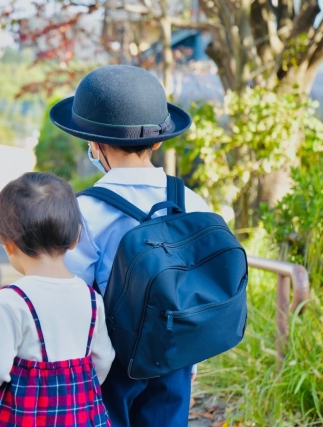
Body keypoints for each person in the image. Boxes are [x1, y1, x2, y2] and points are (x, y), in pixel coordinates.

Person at [49, 65, 212, 426]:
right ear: (157, 140)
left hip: (111, 360)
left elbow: (71, 295)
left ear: (93, 143)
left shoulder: (84, 210)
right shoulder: (193, 202)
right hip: (175, 353)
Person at [0, 172, 116, 426]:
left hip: (25, 416)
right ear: (75, 237)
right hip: (82, 416)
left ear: (8, 244)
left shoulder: (10, 301)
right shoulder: (91, 299)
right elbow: (103, 359)